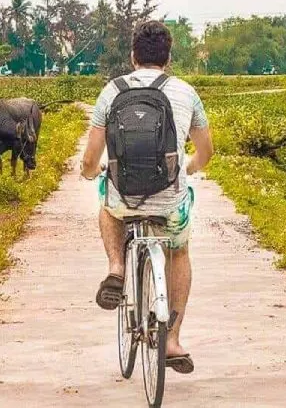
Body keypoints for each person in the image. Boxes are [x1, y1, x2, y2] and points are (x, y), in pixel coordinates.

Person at [80, 20, 213, 375]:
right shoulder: (186, 92)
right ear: (168, 57)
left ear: (133, 56)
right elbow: (205, 151)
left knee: (108, 209)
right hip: (170, 199)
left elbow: (91, 158)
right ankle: (172, 341)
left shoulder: (112, 90)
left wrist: (90, 171)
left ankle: (116, 268)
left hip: (125, 197)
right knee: (179, 251)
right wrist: (191, 166)